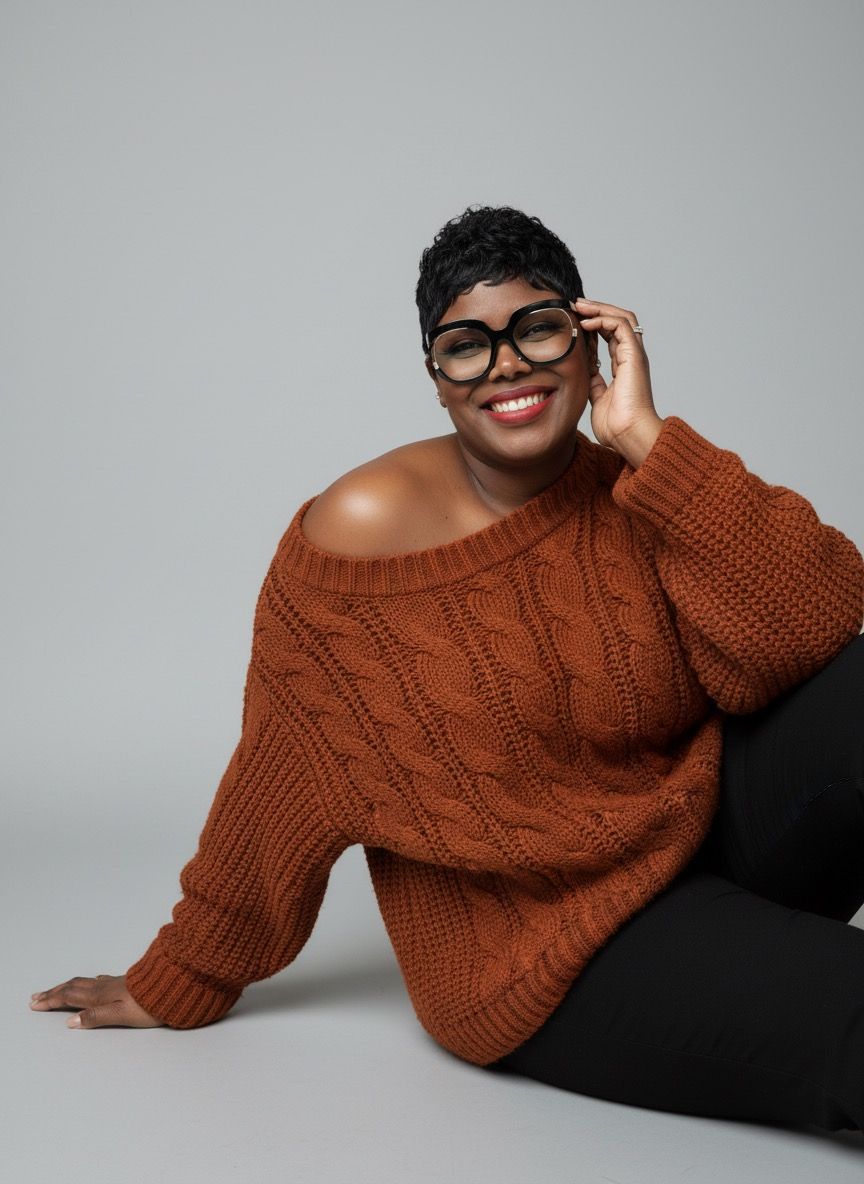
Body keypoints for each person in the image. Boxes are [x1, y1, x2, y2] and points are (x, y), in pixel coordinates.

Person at [30, 205, 864, 1134]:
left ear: (593, 342)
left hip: (700, 835)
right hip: (544, 951)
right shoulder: (360, 540)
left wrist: (648, 441)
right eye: (467, 346)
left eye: (537, 329)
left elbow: (815, 630)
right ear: (436, 378)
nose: (506, 364)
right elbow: (278, 783)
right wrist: (181, 977)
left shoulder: (635, 482)